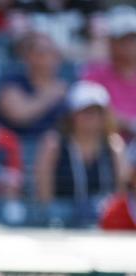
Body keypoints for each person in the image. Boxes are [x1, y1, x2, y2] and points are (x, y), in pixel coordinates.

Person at [34, 81, 129, 228]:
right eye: (86, 112)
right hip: (61, 221)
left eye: (98, 112)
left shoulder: (114, 146)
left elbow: (121, 193)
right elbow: (45, 197)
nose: (92, 117)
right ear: (72, 115)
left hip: (103, 220)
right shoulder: (54, 144)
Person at [0, 31, 68, 141]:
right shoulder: (13, 81)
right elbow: (18, 115)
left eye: (52, 53)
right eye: (41, 53)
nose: (48, 58)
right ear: (28, 57)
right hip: (18, 146)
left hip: (55, 150)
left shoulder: (66, 86)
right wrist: (50, 95)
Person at [82, 6, 136, 137]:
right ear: (111, 42)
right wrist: (129, 124)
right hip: (106, 148)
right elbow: (90, 116)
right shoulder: (94, 75)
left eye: (133, 38)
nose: (130, 45)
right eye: (124, 39)